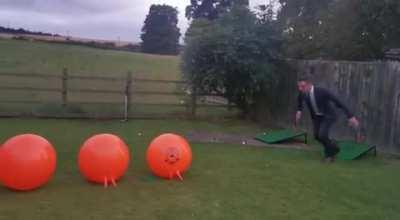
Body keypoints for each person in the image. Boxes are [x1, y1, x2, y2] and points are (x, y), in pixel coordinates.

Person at [295, 73, 359, 163]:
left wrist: (350, 116)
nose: (300, 89)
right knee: (317, 136)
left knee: (322, 135)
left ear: (309, 84)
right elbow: (299, 100)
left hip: (328, 116)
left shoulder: (321, 91)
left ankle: (329, 155)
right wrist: (299, 111)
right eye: (299, 86)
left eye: (302, 86)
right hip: (317, 117)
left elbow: (338, 102)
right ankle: (334, 147)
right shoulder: (303, 93)